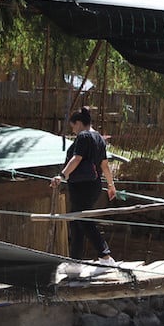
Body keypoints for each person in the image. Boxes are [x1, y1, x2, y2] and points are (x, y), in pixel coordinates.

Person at [50, 106, 118, 263]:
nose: (73, 130)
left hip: (83, 186)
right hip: (93, 186)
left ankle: (105, 255)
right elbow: (105, 165)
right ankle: (76, 261)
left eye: (73, 126)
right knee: (76, 220)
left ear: (79, 123)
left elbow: (77, 159)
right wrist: (110, 185)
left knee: (82, 219)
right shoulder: (99, 138)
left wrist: (62, 175)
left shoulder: (83, 137)